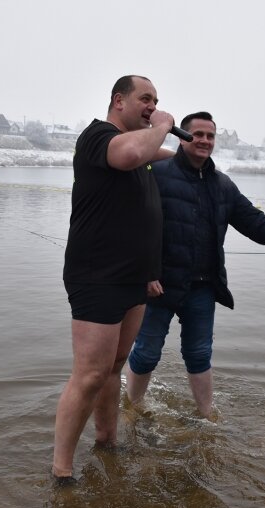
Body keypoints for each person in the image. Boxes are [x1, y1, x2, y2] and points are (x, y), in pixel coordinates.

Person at [125, 111, 265, 418]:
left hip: (203, 286)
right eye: (198, 134)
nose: (205, 141)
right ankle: (132, 406)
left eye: (210, 136)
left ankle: (207, 415)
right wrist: (144, 272)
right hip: (159, 285)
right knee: (146, 352)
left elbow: (256, 224)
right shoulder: (156, 173)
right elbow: (132, 226)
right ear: (182, 137)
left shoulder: (222, 185)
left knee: (199, 354)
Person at [53, 75, 176, 484]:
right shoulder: (98, 136)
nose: (152, 104)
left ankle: (106, 440)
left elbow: (156, 161)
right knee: (89, 374)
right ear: (118, 100)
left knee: (114, 367)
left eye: (157, 100)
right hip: (97, 276)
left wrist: (152, 272)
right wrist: (163, 121)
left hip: (133, 279)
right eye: (145, 98)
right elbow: (128, 154)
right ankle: (61, 472)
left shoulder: (140, 154)